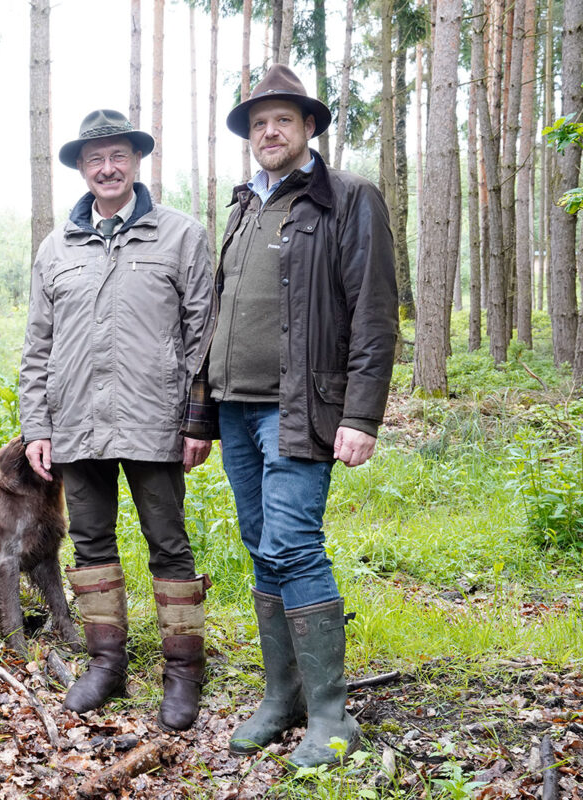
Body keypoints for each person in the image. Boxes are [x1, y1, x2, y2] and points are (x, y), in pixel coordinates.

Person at [212, 65, 398, 768]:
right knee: (261, 545)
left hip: (302, 408)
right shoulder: (241, 207)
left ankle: (331, 716)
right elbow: (219, 319)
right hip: (236, 409)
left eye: (282, 119)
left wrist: (362, 415)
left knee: (293, 545)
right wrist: (203, 415)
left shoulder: (348, 198)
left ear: (309, 127)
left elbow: (375, 316)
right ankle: (281, 697)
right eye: (259, 122)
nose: (269, 131)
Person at [19, 109, 216, 732]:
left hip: (155, 420)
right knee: (91, 542)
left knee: (169, 544)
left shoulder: (181, 235)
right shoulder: (56, 248)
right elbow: (38, 345)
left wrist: (196, 421)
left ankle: (184, 672)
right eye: (94, 158)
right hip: (76, 421)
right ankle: (107, 663)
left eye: (118, 156)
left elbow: (202, 337)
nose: (107, 167)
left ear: (136, 161)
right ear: (82, 167)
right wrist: (37, 426)